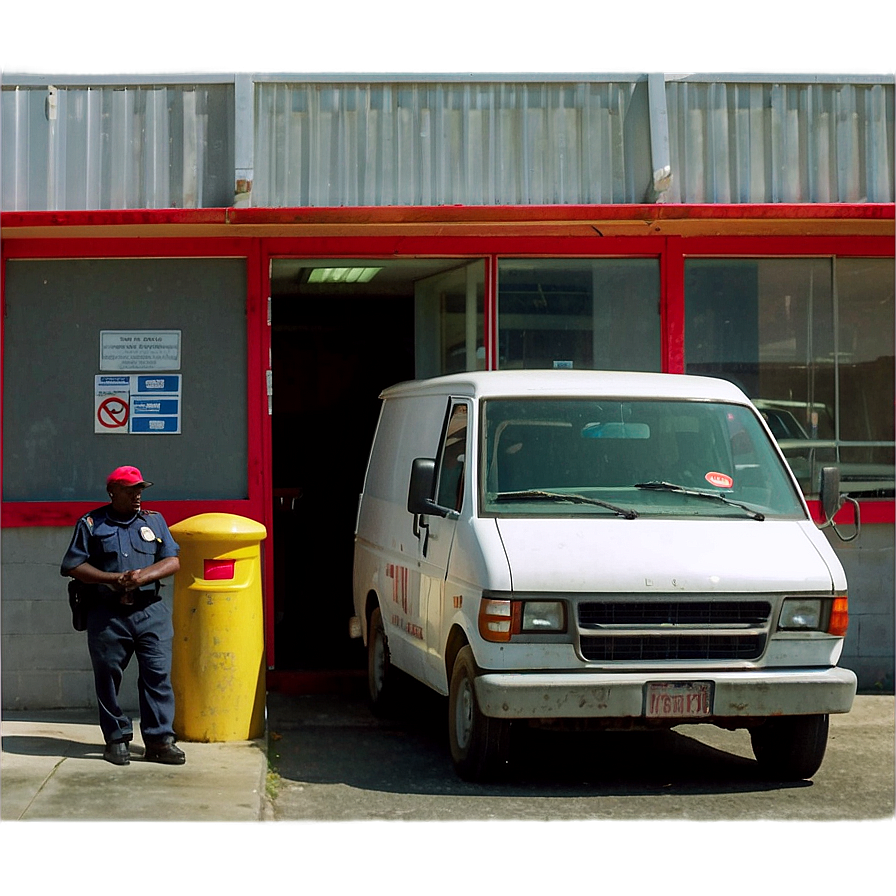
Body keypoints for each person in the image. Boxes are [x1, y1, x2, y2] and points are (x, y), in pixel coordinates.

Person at [61, 465, 185, 766]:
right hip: (107, 613)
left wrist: (140, 577)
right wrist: (111, 579)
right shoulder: (92, 523)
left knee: (157, 675)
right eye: (131, 490)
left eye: (140, 489)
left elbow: (172, 561)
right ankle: (116, 738)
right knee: (107, 677)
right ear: (112, 491)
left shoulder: (154, 521)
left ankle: (159, 740)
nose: (137, 495)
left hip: (149, 611)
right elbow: (73, 565)